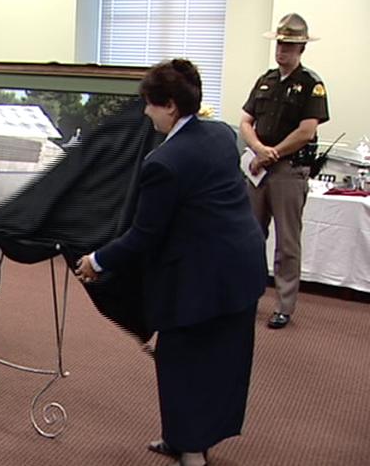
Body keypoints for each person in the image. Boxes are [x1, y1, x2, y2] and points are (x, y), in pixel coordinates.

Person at [75, 60, 267, 466]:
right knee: (220, 360)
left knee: (184, 361)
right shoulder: (220, 134)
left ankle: (191, 450)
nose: (146, 112)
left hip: (205, 277)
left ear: (171, 107)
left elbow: (144, 236)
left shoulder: (165, 162)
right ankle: (184, 436)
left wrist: (97, 259)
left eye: (150, 104)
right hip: (242, 265)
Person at [240, 13, 330, 329]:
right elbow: (246, 121)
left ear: (301, 47)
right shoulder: (265, 80)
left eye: (289, 46)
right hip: (258, 170)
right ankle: (247, 296)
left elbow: (307, 131)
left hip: (289, 172)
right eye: (280, 44)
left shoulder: (311, 85)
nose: (282, 51)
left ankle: (284, 306)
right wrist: (260, 151)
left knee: (287, 242)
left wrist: (271, 154)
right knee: (251, 236)